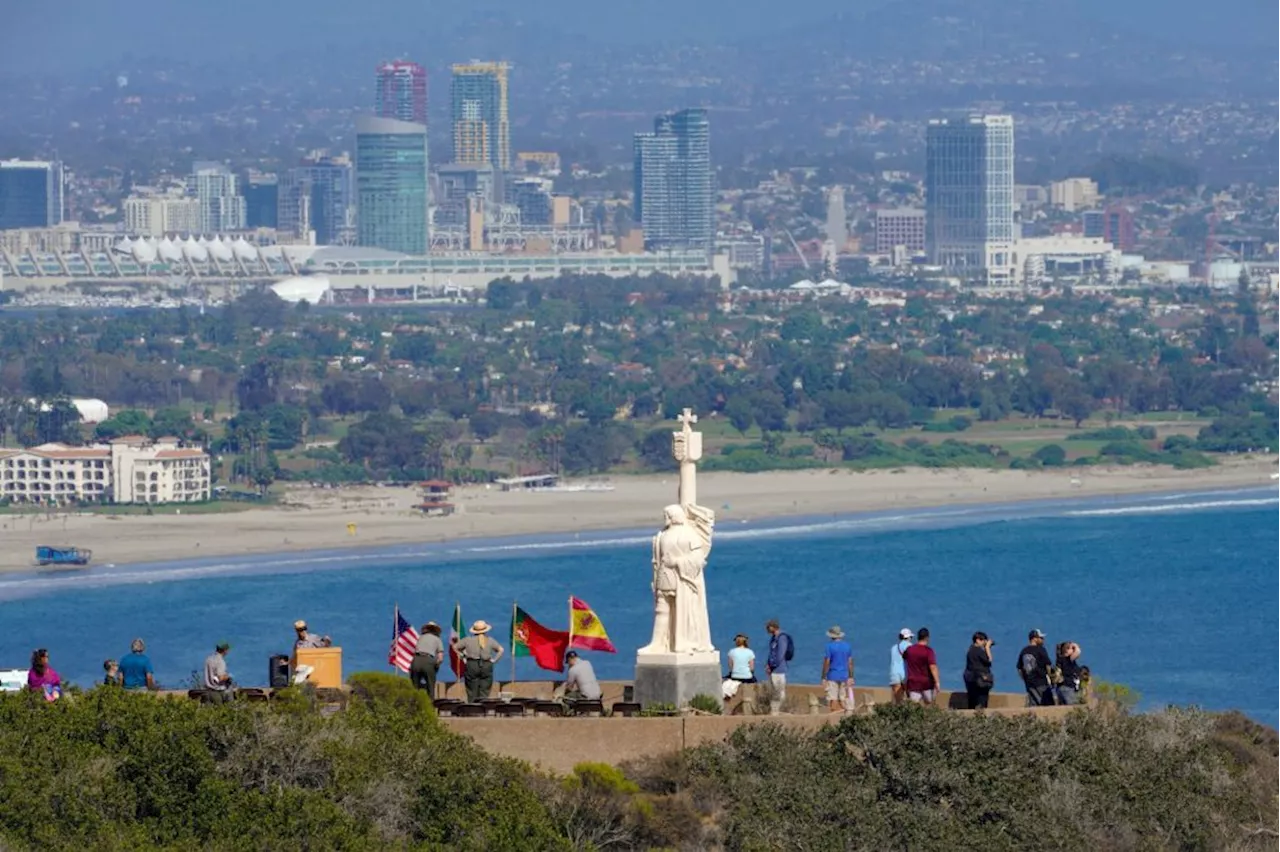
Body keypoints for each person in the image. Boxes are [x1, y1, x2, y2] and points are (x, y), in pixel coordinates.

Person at [451, 620, 504, 703]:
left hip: (472, 664)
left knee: (471, 688)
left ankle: (473, 707)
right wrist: (494, 660)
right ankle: (483, 706)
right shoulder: (490, 640)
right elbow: (501, 650)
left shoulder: (467, 640)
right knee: (485, 688)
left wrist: (462, 656)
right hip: (486, 664)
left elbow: (455, 647)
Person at [1017, 629, 1055, 707]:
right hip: (1041, 683)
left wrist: (1026, 679)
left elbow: (1019, 669)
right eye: (1040, 638)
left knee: (1033, 706)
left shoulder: (1024, 651)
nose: (1042, 640)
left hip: (1029, 684)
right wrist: (1051, 678)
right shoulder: (1041, 650)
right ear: (1034, 638)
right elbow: (1048, 665)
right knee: (1048, 705)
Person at [902, 627, 940, 705]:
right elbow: (933, 667)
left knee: (913, 708)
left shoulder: (910, 650)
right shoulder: (929, 651)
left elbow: (904, 657)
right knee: (929, 705)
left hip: (913, 683)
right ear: (927, 638)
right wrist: (937, 682)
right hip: (927, 684)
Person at [764, 619, 794, 715]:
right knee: (774, 690)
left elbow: (780, 654)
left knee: (779, 690)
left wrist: (773, 665)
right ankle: (775, 710)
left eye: (768, 627)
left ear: (773, 627)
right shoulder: (773, 638)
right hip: (773, 669)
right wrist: (768, 665)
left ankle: (779, 709)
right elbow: (772, 653)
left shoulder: (782, 638)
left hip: (779, 669)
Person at [821, 626, 854, 713]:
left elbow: (827, 662)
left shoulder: (829, 646)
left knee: (833, 699)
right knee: (842, 699)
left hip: (832, 675)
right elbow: (850, 662)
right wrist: (851, 676)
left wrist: (823, 676)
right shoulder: (847, 646)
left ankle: (834, 719)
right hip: (844, 675)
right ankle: (845, 715)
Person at [410, 621, 445, 697]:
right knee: (430, 685)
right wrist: (436, 666)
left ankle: (414, 703)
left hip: (416, 660)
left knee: (414, 686)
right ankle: (430, 705)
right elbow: (440, 658)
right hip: (428, 660)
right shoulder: (437, 639)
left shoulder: (420, 637)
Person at [963, 632, 995, 709]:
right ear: (977, 640)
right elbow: (989, 660)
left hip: (970, 678)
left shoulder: (970, 650)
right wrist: (987, 648)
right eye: (983, 640)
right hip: (980, 680)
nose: (984, 643)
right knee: (981, 702)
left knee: (972, 702)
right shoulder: (978, 651)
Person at [1056, 641, 1085, 706]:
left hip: (1062, 688)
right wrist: (1074, 645)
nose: (1073, 650)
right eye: (1072, 648)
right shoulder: (1067, 659)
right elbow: (1078, 651)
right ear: (1066, 651)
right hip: (1068, 688)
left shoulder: (1060, 660)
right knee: (1072, 707)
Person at [889, 628, 914, 703]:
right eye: (911, 637)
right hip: (905, 674)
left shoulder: (893, 648)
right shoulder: (909, 646)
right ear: (908, 637)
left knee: (898, 701)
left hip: (894, 674)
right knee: (910, 699)